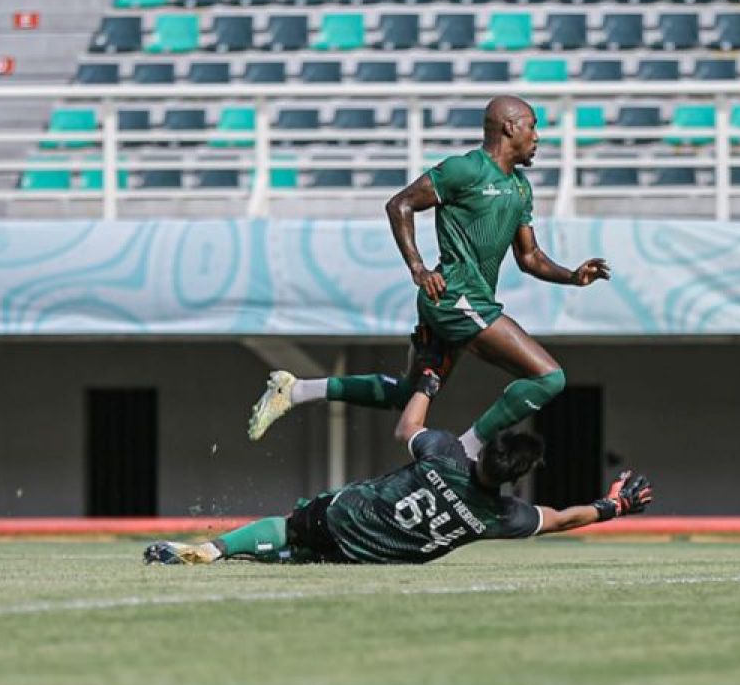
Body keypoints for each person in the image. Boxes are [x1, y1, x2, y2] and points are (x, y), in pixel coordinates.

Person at [247, 95, 610, 460]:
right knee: (549, 378)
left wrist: (572, 276)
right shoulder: (464, 170)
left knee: (408, 394)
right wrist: (418, 268)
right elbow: (399, 204)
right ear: (510, 127)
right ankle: (466, 450)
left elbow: (529, 257)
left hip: (465, 301)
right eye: (532, 126)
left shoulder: (520, 187)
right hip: (455, 297)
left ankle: (294, 391)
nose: (537, 136)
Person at [146, 370, 652, 565]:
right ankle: (256, 554)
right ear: (513, 480)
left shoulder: (446, 455)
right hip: (374, 554)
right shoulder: (500, 516)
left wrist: (427, 386)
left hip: (348, 514)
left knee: (291, 525)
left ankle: (216, 548)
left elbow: (407, 426)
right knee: (301, 554)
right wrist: (615, 506)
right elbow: (562, 518)